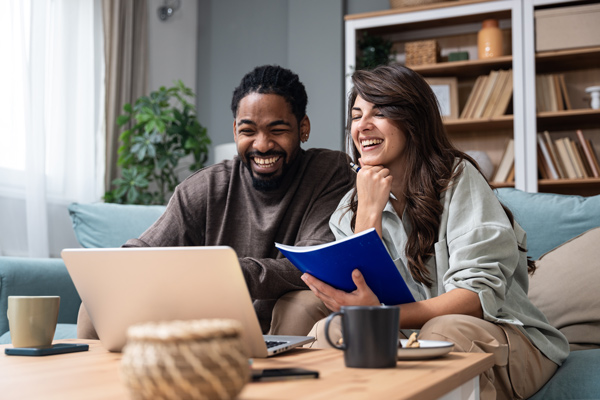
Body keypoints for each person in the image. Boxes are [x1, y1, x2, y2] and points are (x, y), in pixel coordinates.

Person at [301, 64, 569, 400]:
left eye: (379, 112)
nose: (363, 126)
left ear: (413, 121)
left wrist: (384, 315)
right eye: (356, 115)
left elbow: (475, 298)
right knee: (331, 331)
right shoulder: (350, 208)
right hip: (407, 336)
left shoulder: (458, 180)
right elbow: (360, 299)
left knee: (443, 331)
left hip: (509, 338)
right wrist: (367, 214)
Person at [77, 65, 353, 337]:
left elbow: (314, 262)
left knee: (302, 305)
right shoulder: (205, 187)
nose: (262, 144)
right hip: (209, 320)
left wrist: (229, 272)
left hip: (282, 321)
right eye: (248, 131)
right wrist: (117, 266)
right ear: (235, 131)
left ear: (303, 128)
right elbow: (147, 248)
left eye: (277, 130)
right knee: (93, 304)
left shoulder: (329, 172)